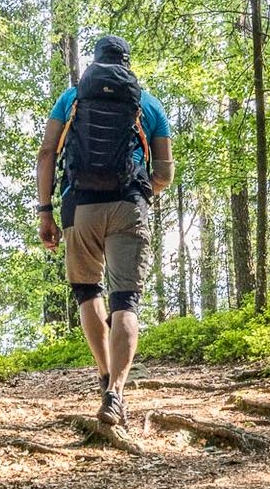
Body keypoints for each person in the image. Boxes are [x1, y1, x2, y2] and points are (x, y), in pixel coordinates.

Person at [35, 35, 173, 427]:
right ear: (128, 64)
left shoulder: (72, 97)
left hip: (79, 205)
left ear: (94, 62)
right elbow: (164, 172)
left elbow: (47, 153)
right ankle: (116, 392)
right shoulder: (148, 104)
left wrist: (45, 210)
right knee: (125, 300)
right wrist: (141, 194)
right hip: (128, 204)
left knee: (87, 292)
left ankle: (103, 374)